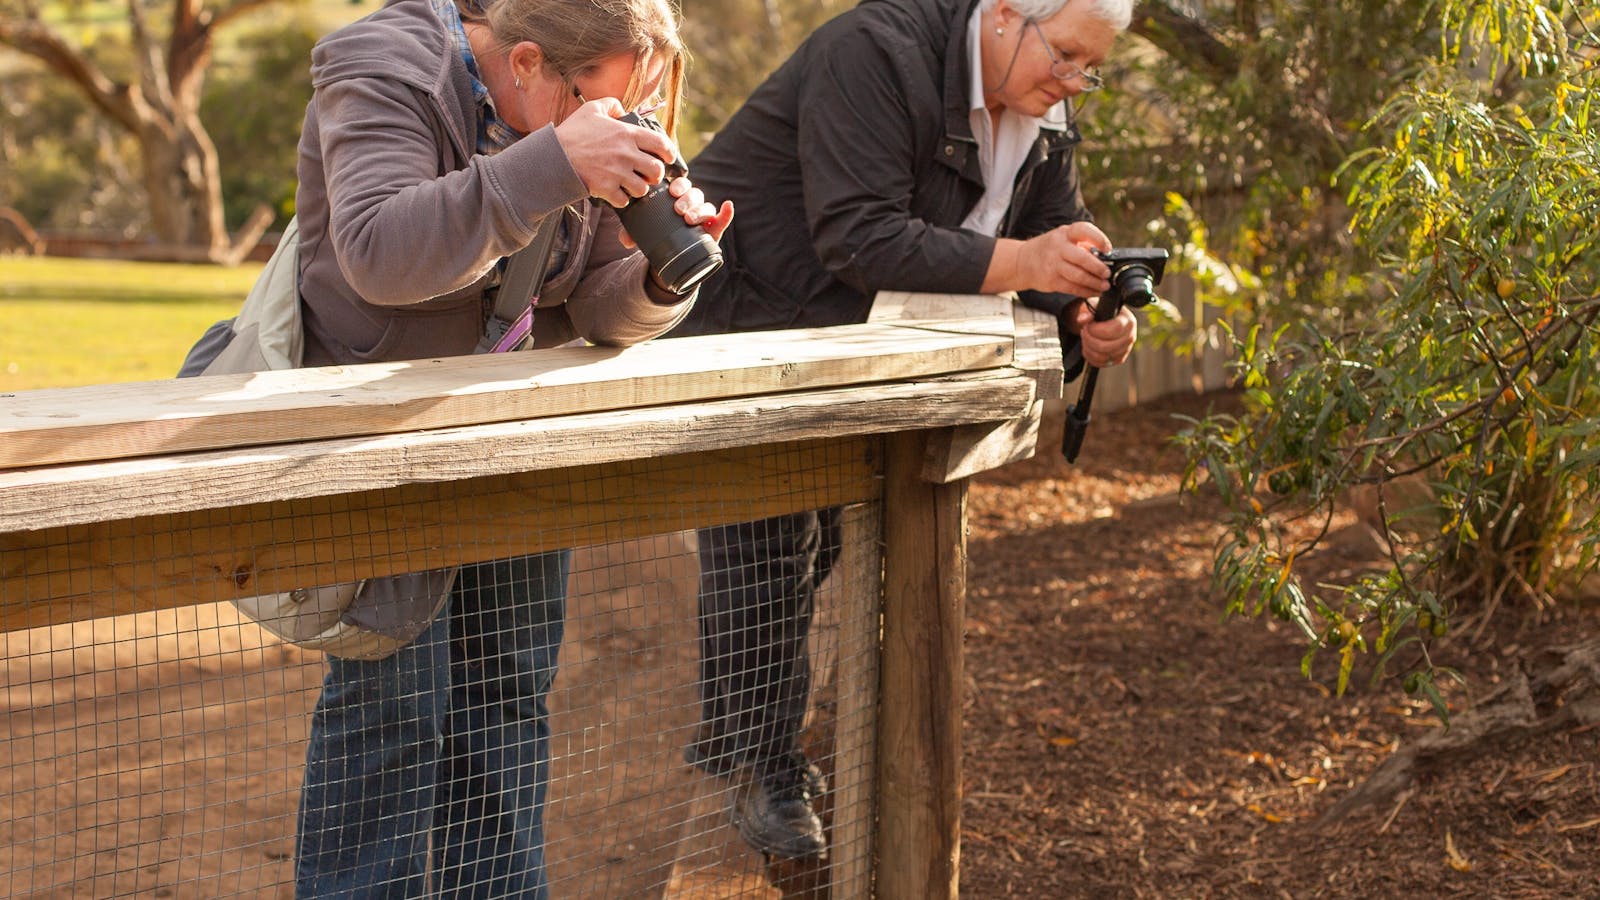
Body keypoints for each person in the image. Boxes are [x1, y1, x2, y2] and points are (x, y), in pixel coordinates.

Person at [669, 0, 1139, 862]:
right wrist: (1030, 264)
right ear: (1003, 15)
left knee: (811, 554)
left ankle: (739, 738)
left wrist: (1086, 313)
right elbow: (859, 233)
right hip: (748, 324)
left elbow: (1045, 251)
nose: (1073, 82)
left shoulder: (1042, 110)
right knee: (768, 550)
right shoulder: (874, 52)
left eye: (1088, 68)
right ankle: (759, 770)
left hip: (848, 350)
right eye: (1065, 56)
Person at [282, 0, 733, 896]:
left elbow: (593, 306)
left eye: (636, 108)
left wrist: (653, 272)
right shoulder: (384, 64)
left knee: (508, 699)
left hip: (510, 436)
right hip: (381, 438)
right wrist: (554, 166)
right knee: (391, 706)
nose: (620, 124)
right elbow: (375, 251)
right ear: (524, 61)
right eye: (600, 103)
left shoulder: (570, 111)